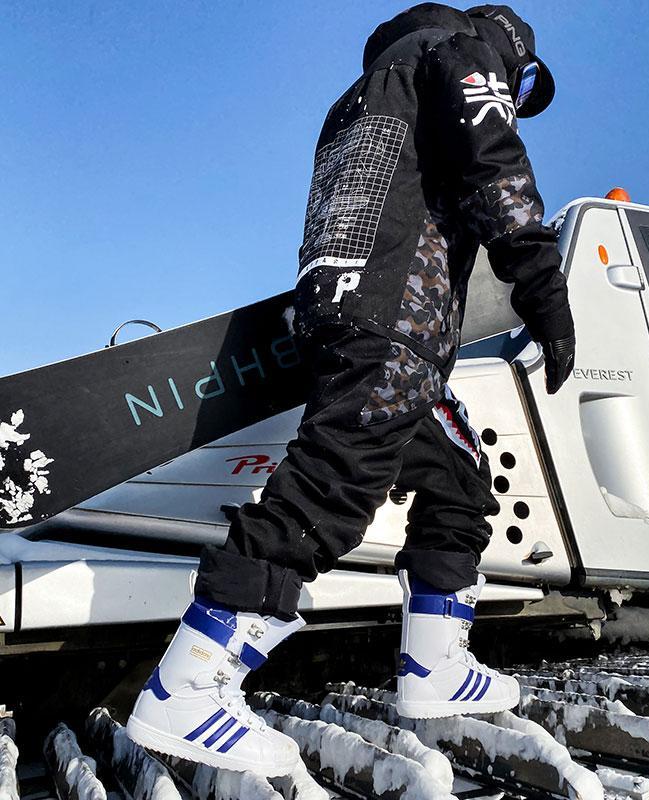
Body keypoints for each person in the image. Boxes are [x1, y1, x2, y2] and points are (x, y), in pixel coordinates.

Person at [126, 2, 575, 775]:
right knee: (335, 482)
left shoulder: (366, 90)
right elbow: (494, 162)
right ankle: (186, 689)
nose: (513, 94)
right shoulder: (460, 50)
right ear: (510, 53)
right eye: (520, 82)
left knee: (459, 473)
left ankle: (434, 668)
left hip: (345, 309)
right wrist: (543, 286)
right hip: (395, 316)